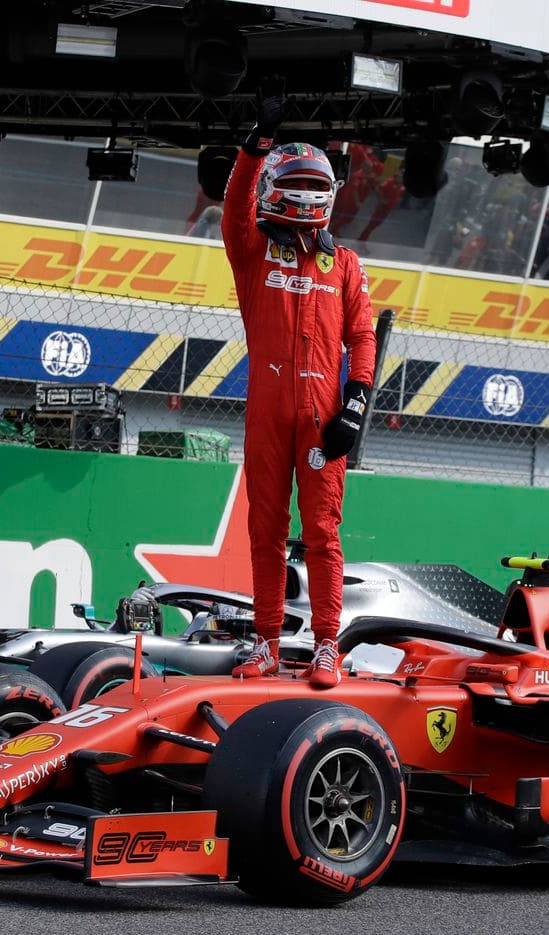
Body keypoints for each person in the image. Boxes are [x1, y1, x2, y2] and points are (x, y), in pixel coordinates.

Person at [220, 95, 376, 689]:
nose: (306, 192)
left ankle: (327, 647)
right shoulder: (253, 253)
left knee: (322, 533)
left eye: (315, 184)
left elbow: (363, 338)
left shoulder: (347, 265)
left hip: (323, 419)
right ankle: (264, 644)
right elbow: (235, 211)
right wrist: (254, 145)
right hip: (266, 412)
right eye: (296, 182)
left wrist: (355, 407)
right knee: (264, 528)